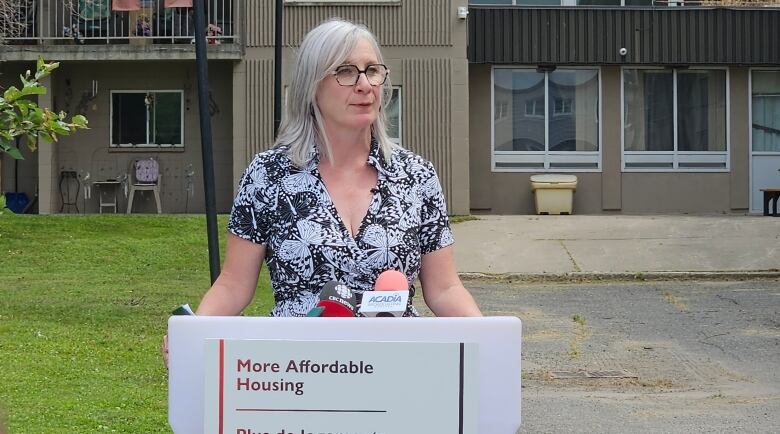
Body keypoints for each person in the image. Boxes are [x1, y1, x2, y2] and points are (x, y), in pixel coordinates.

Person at [163, 18, 481, 364]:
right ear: (312, 85)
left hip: (398, 370)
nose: (364, 85)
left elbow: (445, 289)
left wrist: (487, 339)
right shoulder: (268, 175)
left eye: (372, 70)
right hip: (296, 372)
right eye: (346, 71)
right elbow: (234, 285)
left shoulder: (415, 175)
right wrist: (191, 335)